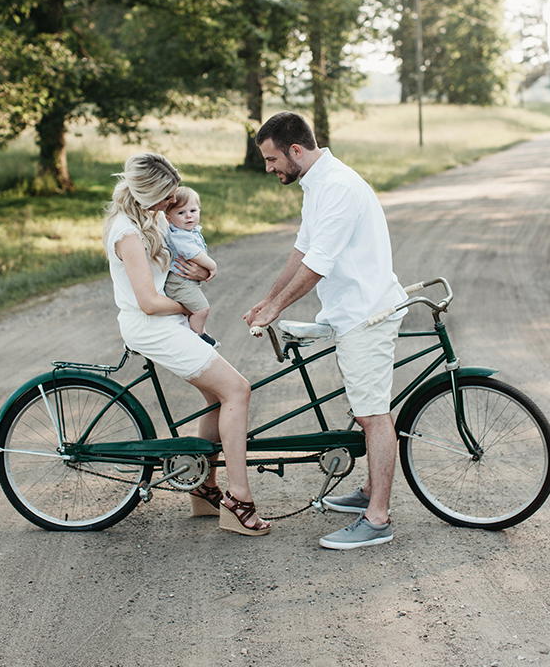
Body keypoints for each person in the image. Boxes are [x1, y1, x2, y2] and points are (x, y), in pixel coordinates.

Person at [243, 112, 407, 549]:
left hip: (366, 314)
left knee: (373, 414)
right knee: (363, 407)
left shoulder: (336, 186)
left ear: (296, 150)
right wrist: (268, 298)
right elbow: (304, 248)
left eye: (272, 158)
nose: (269, 168)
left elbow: (320, 265)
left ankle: (377, 520)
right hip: (349, 312)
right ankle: (369, 492)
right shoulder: (316, 183)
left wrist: (276, 309)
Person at [103, 153, 270, 536]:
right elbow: (148, 301)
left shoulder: (152, 216)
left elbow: (185, 258)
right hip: (152, 324)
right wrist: (192, 303)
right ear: (148, 195)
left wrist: (201, 275)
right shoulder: (127, 232)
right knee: (237, 389)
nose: (173, 204)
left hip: (168, 319)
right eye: (167, 197)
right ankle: (239, 500)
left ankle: (204, 488)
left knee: (218, 395)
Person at [164, 186, 220, 348]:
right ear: (169, 218)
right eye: (181, 213)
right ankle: (197, 338)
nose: (189, 216)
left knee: (198, 308)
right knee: (201, 309)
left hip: (185, 282)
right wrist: (213, 266)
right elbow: (194, 254)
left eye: (193, 210)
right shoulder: (179, 235)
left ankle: (199, 333)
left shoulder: (189, 231)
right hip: (180, 283)